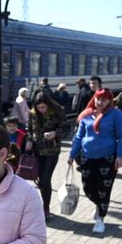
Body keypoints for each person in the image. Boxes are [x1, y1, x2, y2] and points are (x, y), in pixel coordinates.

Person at [68, 88, 122, 234]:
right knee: (88, 188)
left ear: (109, 101)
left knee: (103, 190)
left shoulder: (115, 114)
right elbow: (79, 137)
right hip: (87, 157)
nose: (100, 102)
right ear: (94, 99)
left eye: (104, 99)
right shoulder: (87, 115)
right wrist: (72, 154)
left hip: (107, 158)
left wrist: (120, 155)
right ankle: (99, 205)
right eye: (98, 98)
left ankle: (100, 219)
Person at [26, 91, 70, 221]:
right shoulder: (33, 113)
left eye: (43, 107)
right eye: (38, 107)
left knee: (45, 180)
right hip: (37, 151)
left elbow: (67, 128)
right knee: (41, 182)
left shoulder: (57, 112)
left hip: (52, 151)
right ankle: (43, 206)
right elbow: (29, 128)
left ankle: (46, 208)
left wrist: (55, 133)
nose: (41, 110)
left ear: (48, 105)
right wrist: (29, 140)